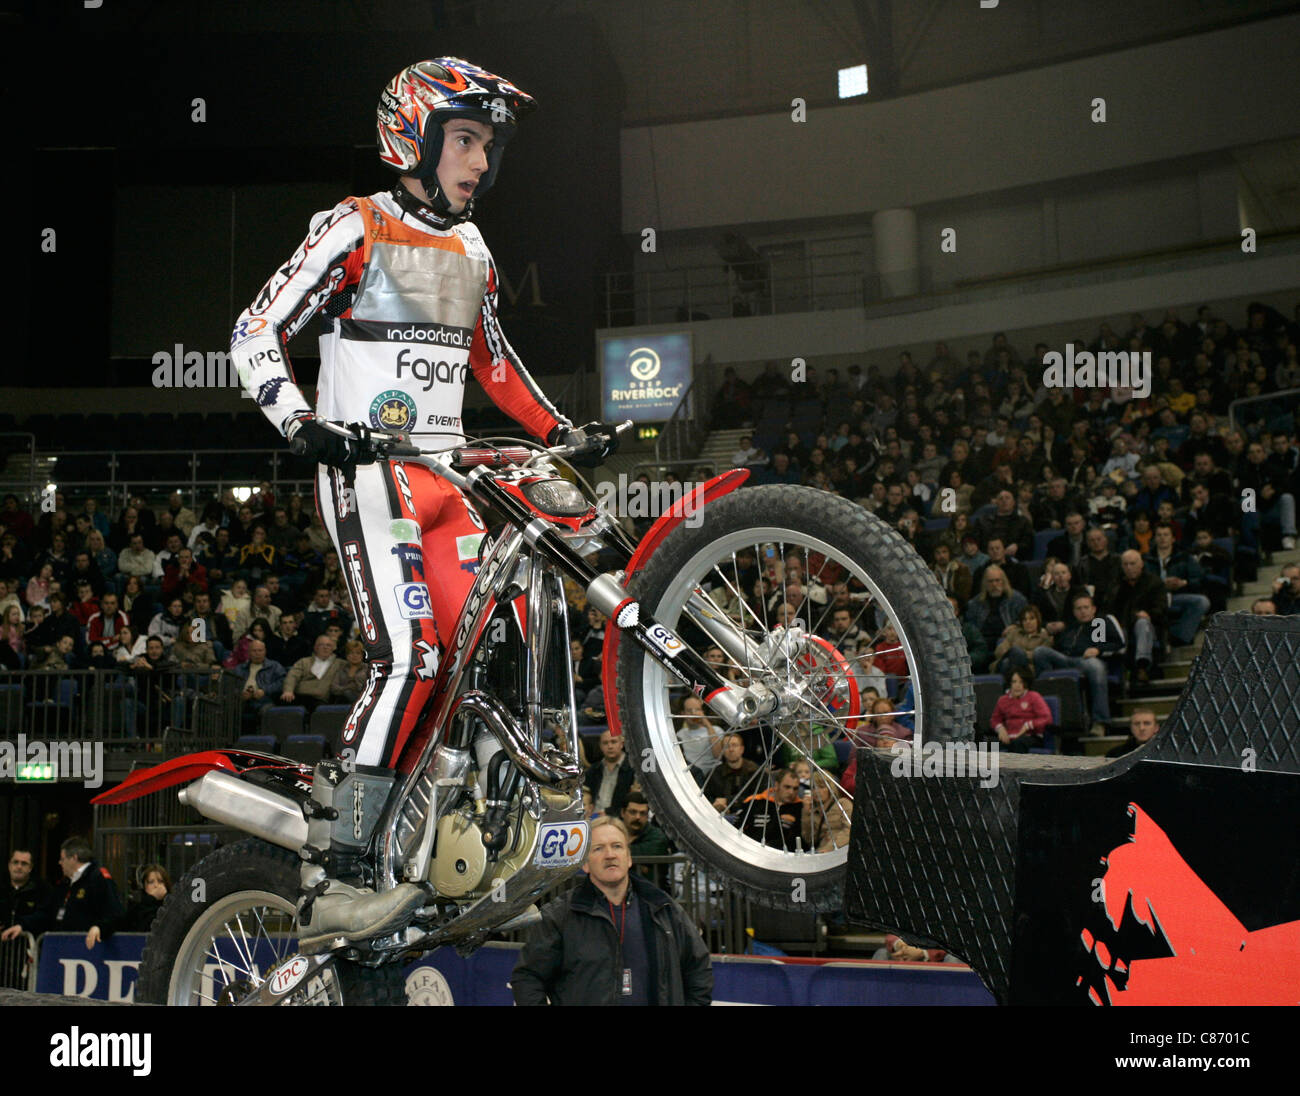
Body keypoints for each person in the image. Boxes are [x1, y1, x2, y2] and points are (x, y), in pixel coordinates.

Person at [510, 817, 712, 1005]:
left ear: (629, 858)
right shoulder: (561, 915)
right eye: (598, 849)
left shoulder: (664, 909)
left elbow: (699, 970)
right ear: (585, 864)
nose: (610, 855)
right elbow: (527, 978)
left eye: (617, 846)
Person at [1, 837, 124, 950]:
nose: (60, 862)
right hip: (63, 951)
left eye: (62, 858)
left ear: (74, 858)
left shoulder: (98, 879)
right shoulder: (64, 884)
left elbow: (115, 913)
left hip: (89, 952)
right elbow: (47, 912)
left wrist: (99, 927)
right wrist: (22, 925)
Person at [1032, 593, 1125, 734]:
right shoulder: (1071, 626)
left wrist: (1098, 650)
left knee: (1095, 666)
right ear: (1074, 611)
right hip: (1066, 659)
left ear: (1093, 609)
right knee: (1040, 652)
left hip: (1088, 660)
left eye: (1086, 607)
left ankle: (1100, 722)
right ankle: (1046, 711)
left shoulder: (1101, 622)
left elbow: (1120, 644)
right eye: (1079, 608)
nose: (1082, 611)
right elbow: (1058, 646)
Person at [990, 667, 1052, 752]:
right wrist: (1000, 728)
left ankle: (1013, 765)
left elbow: (1047, 718)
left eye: (1021, 682)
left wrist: (1028, 725)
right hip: (1009, 737)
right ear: (1010, 683)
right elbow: (995, 719)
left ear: (1026, 684)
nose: (1017, 685)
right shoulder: (1003, 700)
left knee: (1018, 743)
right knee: (985, 742)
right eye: (1014, 682)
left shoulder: (1034, 696)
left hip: (1031, 737)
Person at [280, 634, 342, 711]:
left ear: (333, 648)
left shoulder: (340, 664)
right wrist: (288, 691)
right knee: (281, 700)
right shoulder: (304, 662)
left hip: (319, 699)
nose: (325, 647)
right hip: (299, 696)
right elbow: (292, 676)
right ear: (315, 647)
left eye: (328, 645)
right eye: (321, 645)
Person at [582, 731, 636, 818]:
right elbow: (585, 795)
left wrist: (610, 812)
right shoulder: (593, 770)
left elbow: (633, 802)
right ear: (600, 746)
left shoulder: (633, 769)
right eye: (605, 743)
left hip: (620, 819)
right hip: (594, 818)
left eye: (613, 742)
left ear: (622, 744)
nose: (610, 746)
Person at [2, 848, 51, 934]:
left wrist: (22, 925)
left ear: (30, 868)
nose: (19, 866)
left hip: (29, 945)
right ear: (9, 865)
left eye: (24, 863)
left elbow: (44, 915)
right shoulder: (2, 887)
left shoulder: (42, 889)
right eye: (15, 862)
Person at [124, 864, 171, 932]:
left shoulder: (171, 907)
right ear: (144, 886)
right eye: (151, 882)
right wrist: (151, 898)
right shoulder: (137, 908)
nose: (156, 885)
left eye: (160, 881)